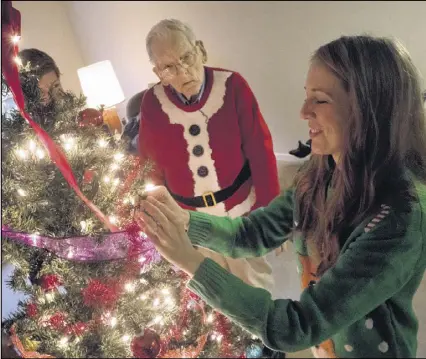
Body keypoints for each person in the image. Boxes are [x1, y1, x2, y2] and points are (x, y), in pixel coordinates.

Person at [136, 35, 426, 358]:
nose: (303, 111)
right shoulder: (320, 173)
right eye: (306, 96)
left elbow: (296, 326)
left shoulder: (400, 217)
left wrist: (190, 261)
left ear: (367, 108)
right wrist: (186, 221)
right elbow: (252, 233)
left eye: (320, 100)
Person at [138, 19, 280, 293]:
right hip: (190, 222)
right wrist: (163, 222)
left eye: (186, 57)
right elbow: (148, 167)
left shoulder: (233, 86)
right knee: (211, 294)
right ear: (158, 72)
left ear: (200, 50)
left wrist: (271, 214)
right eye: (169, 67)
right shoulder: (152, 104)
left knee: (256, 289)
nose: (182, 71)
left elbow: (260, 150)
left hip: (241, 215)